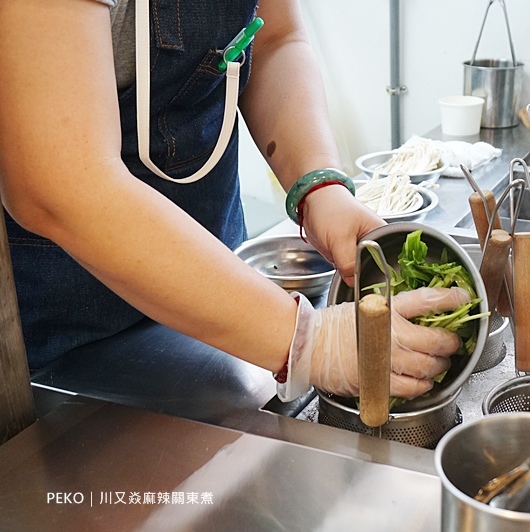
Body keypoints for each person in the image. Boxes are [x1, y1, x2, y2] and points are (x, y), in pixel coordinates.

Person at [0, 0, 468, 401]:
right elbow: (57, 184)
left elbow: (275, 40)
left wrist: (318, 184)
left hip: (220, 307)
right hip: (54, 349)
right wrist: (313, 343)